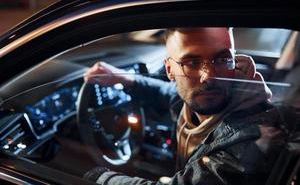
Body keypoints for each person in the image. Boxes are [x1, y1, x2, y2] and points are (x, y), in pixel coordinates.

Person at [83, 28, 286, 185]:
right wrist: (126, 79)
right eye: (192, 63)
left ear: (234, 59)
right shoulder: (196, 98)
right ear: (170, 70)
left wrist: (97, 176)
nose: (209, 76)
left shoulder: (251, 137)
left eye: (222, 59)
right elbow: (168, 94)